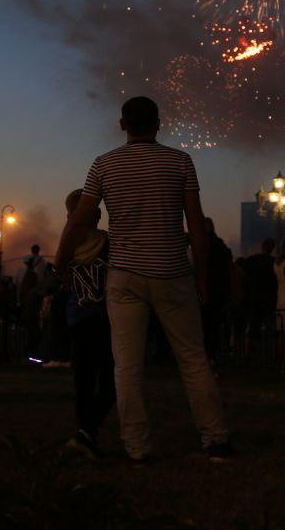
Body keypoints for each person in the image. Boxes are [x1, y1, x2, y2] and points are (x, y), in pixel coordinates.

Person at [56, 96, 232, 461]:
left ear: (122, 125)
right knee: (193, 359)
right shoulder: (180, 162)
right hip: (172, 271)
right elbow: (196, 225)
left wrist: (61, 262)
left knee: (127, 365)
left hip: (125, 275)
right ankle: (215, 439)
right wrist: (201, 277)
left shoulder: (103, 165)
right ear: (158, 123)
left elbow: (78, 221)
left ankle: (137, 447)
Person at [56, 189, 116, 458]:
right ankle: (89, 430)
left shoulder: (66, 248)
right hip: (105, 317)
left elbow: (64, 278)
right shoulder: (108, 243)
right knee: (110, 378)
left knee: (83, 378)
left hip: (78, 318)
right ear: (98, 215)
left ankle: (85, 429)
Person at [201, 218, 232, 369]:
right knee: (213, 326)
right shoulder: (221, 247)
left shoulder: (205, 246)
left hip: (207, 290)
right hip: (218, 291)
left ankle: (207, 355)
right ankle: (212, 355)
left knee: (206, 326)